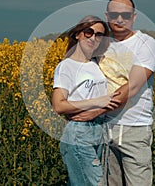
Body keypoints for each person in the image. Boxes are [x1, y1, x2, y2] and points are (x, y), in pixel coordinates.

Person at [71, 0, 155, 186]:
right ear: (107, 16)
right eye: (114, 14)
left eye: (125, 15)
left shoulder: (146, 43)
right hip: (103, 129)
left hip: (134, 129)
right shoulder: (102, 44)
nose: (120, 19)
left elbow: (133, 87)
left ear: (134, 17)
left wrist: (96, 111)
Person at [52, 15, 121, 186]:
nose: (93, 38)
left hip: (101, 130)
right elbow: (58, 105)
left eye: (99, 35)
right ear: (77, 34)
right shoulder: (66, 66)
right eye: (88, 32)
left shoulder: (96, 63)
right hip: (79, 133)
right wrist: (97, 102)